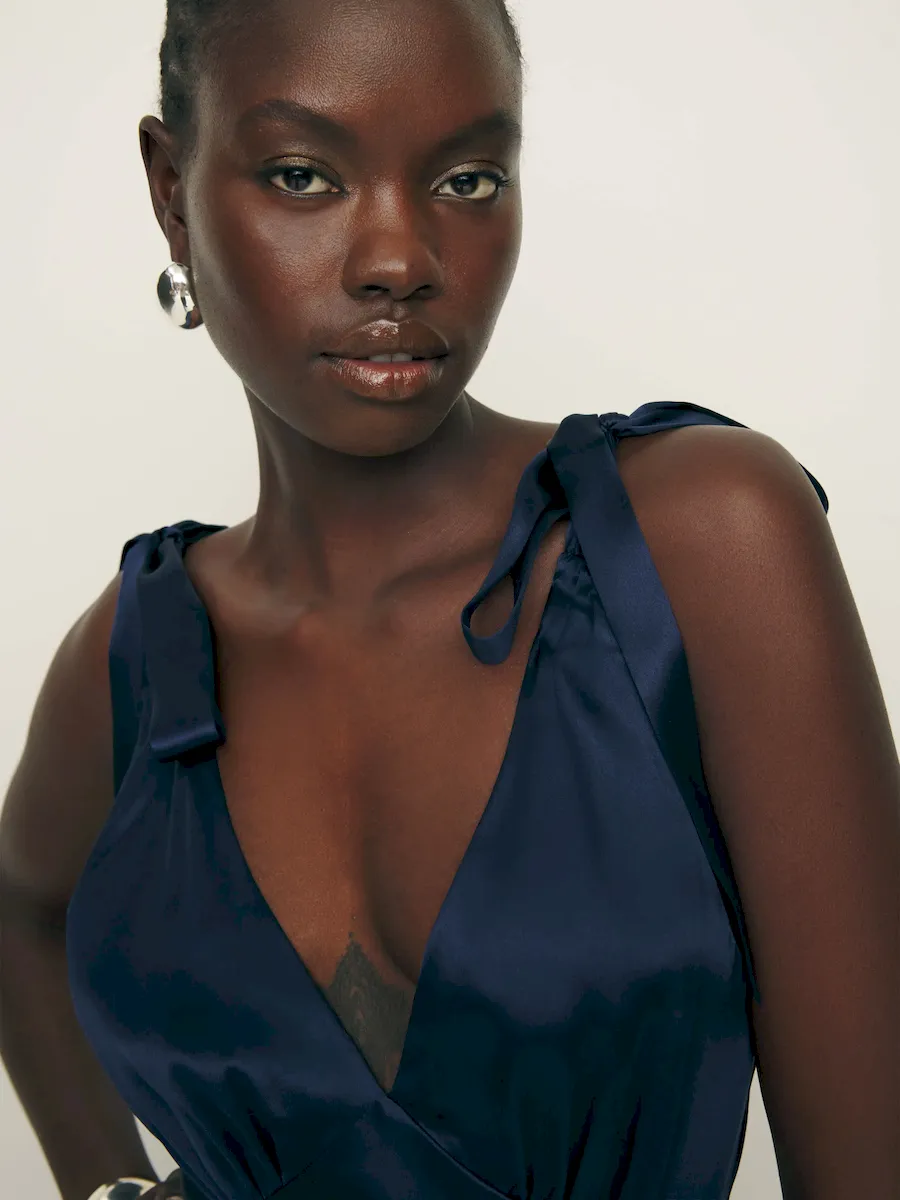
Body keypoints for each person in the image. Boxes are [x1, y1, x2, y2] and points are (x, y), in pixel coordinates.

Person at [1, 0, 898, 1197]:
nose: (399, 260)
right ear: (173, 193)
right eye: (304, 175)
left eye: (468, 180)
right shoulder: (137, 657)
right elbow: (20, 911)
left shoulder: (700, 543)